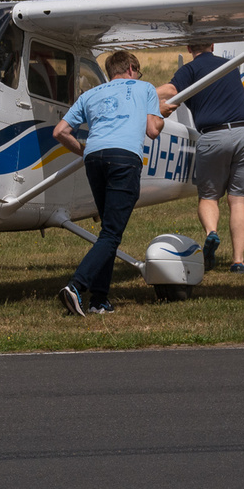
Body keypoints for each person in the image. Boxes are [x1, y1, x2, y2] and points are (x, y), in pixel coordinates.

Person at [52, 50, 165, 315]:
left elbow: (60, 132)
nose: (137, 75)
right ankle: (77, 286)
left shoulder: (89, 94)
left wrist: (83, 151)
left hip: (94, 158)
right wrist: (162, 114)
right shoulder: (145, 88)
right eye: (137, 70)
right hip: (124, 157)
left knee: (107, 231)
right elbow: (152, 129)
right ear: (130, 68)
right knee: (113, 233)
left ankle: (99, 299)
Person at [157, 43, 244, 272]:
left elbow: (172, 92)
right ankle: (238, 261)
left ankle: (212, 232)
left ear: (190, 47)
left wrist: (139, 93)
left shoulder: (190, 70)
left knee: (209, 196)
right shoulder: (229, 65)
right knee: (238, 199)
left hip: (214, 135)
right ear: (212, 46)